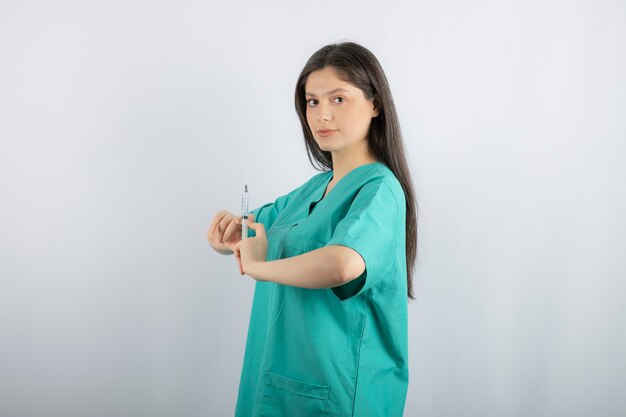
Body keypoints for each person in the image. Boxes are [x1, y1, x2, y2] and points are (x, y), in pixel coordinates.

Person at [207, 41, 418, 417]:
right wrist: (226, 235)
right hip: (277, 385)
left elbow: (343, 265)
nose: (322, 115)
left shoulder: (380, 190)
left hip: (336, 394)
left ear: (374, 104)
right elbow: (253, 231)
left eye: (338, 99)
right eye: (312, 101)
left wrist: (258, 267)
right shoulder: (314, 189)